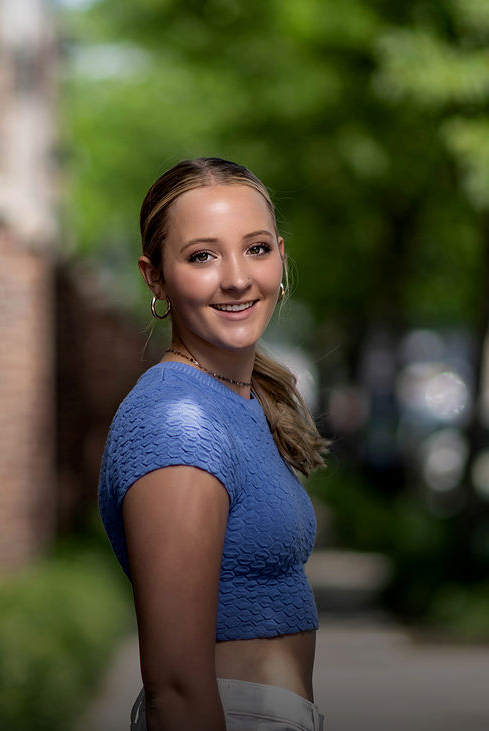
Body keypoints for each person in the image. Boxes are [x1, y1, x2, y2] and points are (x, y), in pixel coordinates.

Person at [98, 157, 329, 731]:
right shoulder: (176, 421)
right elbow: (175, 688)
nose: (236, 277)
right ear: (155, 277)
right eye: (202, 255)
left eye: (255, 248)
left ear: (280, 252)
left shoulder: (238, 400)